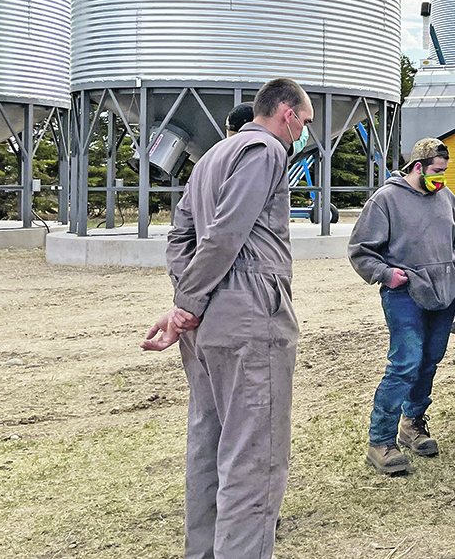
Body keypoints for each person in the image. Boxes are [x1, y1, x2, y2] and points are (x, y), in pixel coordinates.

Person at [141, 77, 313, 559]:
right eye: (304, 123)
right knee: (254, 456)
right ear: (287, 114)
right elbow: (225, 234)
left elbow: (180, 237)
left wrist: (186, 303)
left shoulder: (212, 156)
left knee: (210, 442)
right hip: (248, 312)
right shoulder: (266, 151)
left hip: (207, 322)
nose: (302, 135)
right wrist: (187, 306)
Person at [348, 138, 455, 475]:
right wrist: (386, 275)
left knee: (429, 359)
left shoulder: (447, 198)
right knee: (405, 362)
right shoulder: (386, 200)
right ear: (418, 167)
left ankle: (412, 425)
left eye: (445, 172)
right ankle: (380, 441)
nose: (441, 178)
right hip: (405, 295)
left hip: (444, 294)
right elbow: (360, 249)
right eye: (437, 172)